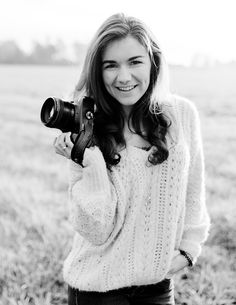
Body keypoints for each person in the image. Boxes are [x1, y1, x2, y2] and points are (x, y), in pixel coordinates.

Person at [53, 13, 210, 305]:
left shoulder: (182, 115)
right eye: (110, 65)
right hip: (97, 288)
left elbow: (194, 190)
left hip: (158, 286)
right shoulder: (86, 127)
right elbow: (96, 231)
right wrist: (93, 165)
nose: (123, 77)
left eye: (135, 61)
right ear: (97, 72)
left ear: (154, 62)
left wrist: (189, 249)